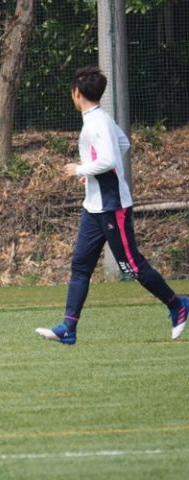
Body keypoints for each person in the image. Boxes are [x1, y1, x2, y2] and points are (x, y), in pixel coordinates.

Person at [36, 65, 188, 345]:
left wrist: (81, 169)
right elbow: (123, 144)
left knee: (132, 265)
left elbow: (108, 158)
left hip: (112, 206)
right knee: (80, 265)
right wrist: (92, 173)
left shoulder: (96, 122)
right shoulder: (99, 119)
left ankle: (177, 305)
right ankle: (68, 328)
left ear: (76, 93)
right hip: (94, 206)